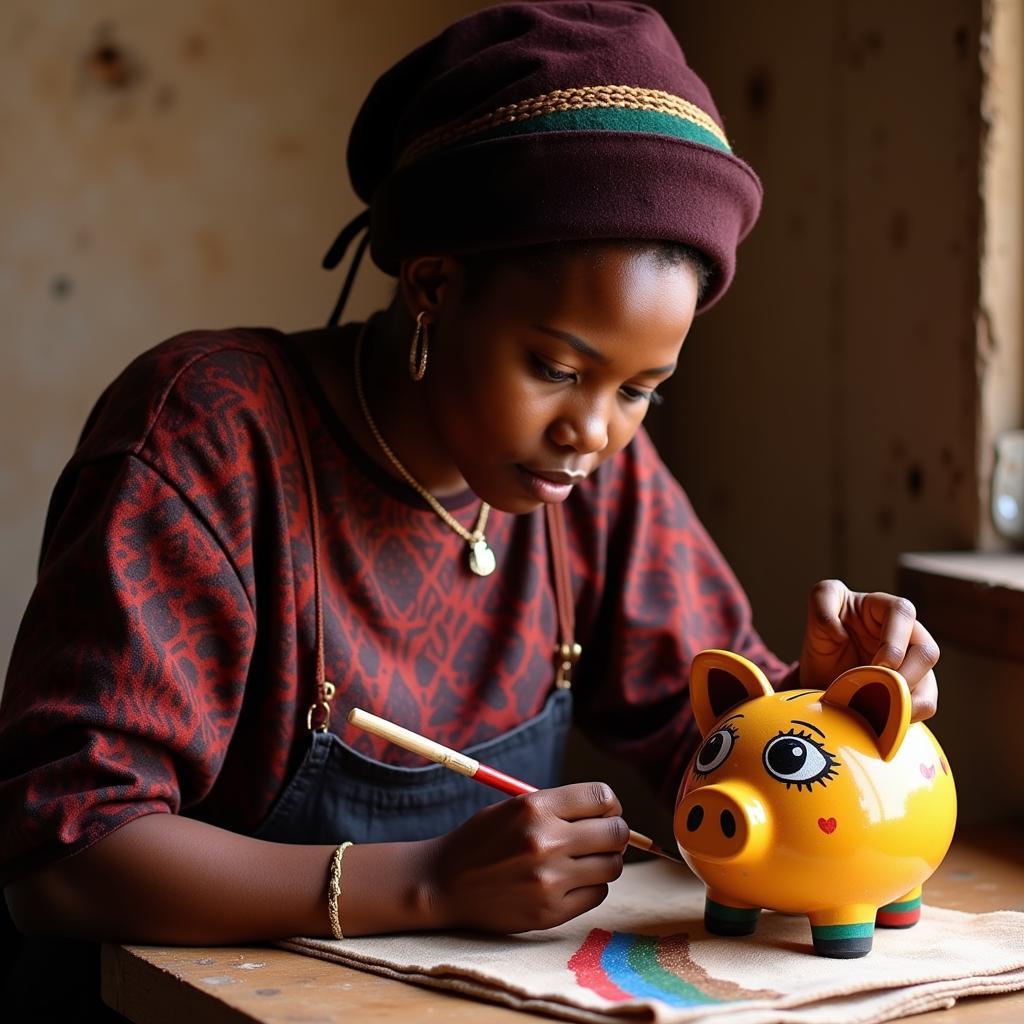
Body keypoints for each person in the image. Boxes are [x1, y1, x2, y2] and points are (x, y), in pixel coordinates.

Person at [1, 1, 939, 1017]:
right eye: (555, 365)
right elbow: (65, 847)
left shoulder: (589, 479)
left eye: (639, 389)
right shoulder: (213, 431)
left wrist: (820, 723)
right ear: (434, 285)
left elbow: (703, 751)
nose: (592, 431)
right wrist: (426, 882)